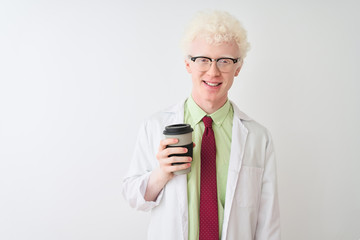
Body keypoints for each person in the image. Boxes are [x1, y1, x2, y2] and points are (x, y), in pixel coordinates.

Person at [122, 10, 281, 240]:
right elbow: (132, 197)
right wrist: (162, 174)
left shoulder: (258, 137)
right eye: (203, 59)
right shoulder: (155, 126)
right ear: (188, 64)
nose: (213, 71)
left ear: (238, 68)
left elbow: (268, 222)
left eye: (224, 61)